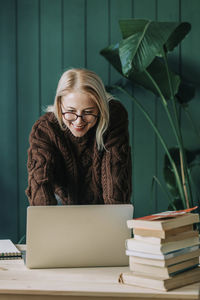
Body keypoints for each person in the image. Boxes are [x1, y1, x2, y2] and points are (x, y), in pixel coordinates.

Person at [26, 68, 132, 205]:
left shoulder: (114, 118)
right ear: (59, 105)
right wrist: (47, 222)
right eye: (70, 112)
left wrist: (113, 222)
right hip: (66, 212)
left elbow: (116, 185)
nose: (78, 121)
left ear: (100, 108)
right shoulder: (45, 130)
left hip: (108, 213)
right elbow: (40, 186)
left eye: (88, 112)